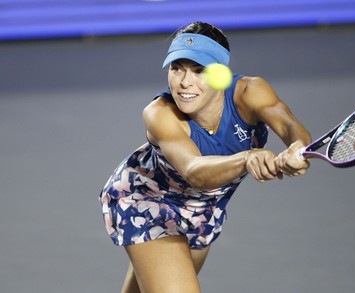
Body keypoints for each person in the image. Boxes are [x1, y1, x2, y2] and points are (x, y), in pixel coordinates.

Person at [99, 21, 311, 293]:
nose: (185, 82)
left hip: (203, 212)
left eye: (199, 71)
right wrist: (248, 158)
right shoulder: (159, 113)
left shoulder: (250, 93)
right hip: (148, 202)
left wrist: (299, 149)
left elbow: (289, 126)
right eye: (177, 69)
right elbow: (194, 171)